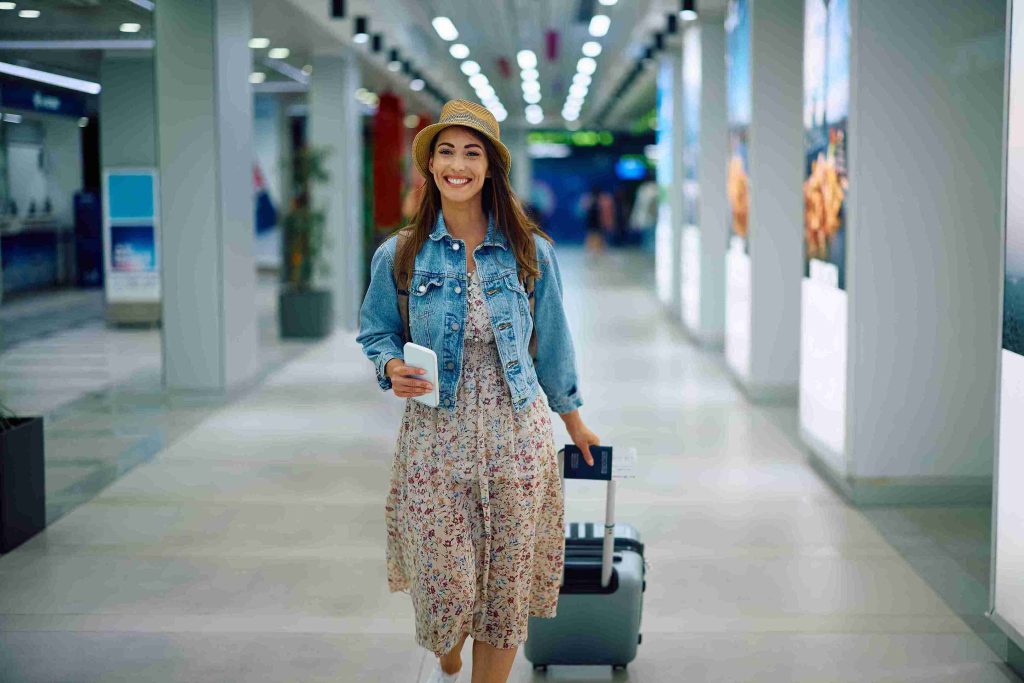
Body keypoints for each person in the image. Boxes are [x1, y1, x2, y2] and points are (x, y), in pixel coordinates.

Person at [356, 100, 600, 683]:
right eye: (447, 152)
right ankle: (447, 643)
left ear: (490, 167)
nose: (458, 165)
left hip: (516, 437)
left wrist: (573, 419)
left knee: (504, 595)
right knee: (446, 590)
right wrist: (389, 365)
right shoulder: (400, 254)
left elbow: (554, 341)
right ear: (431, 165)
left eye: (472, 153)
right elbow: (376, 329)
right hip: (435, 440)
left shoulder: (529, 252)